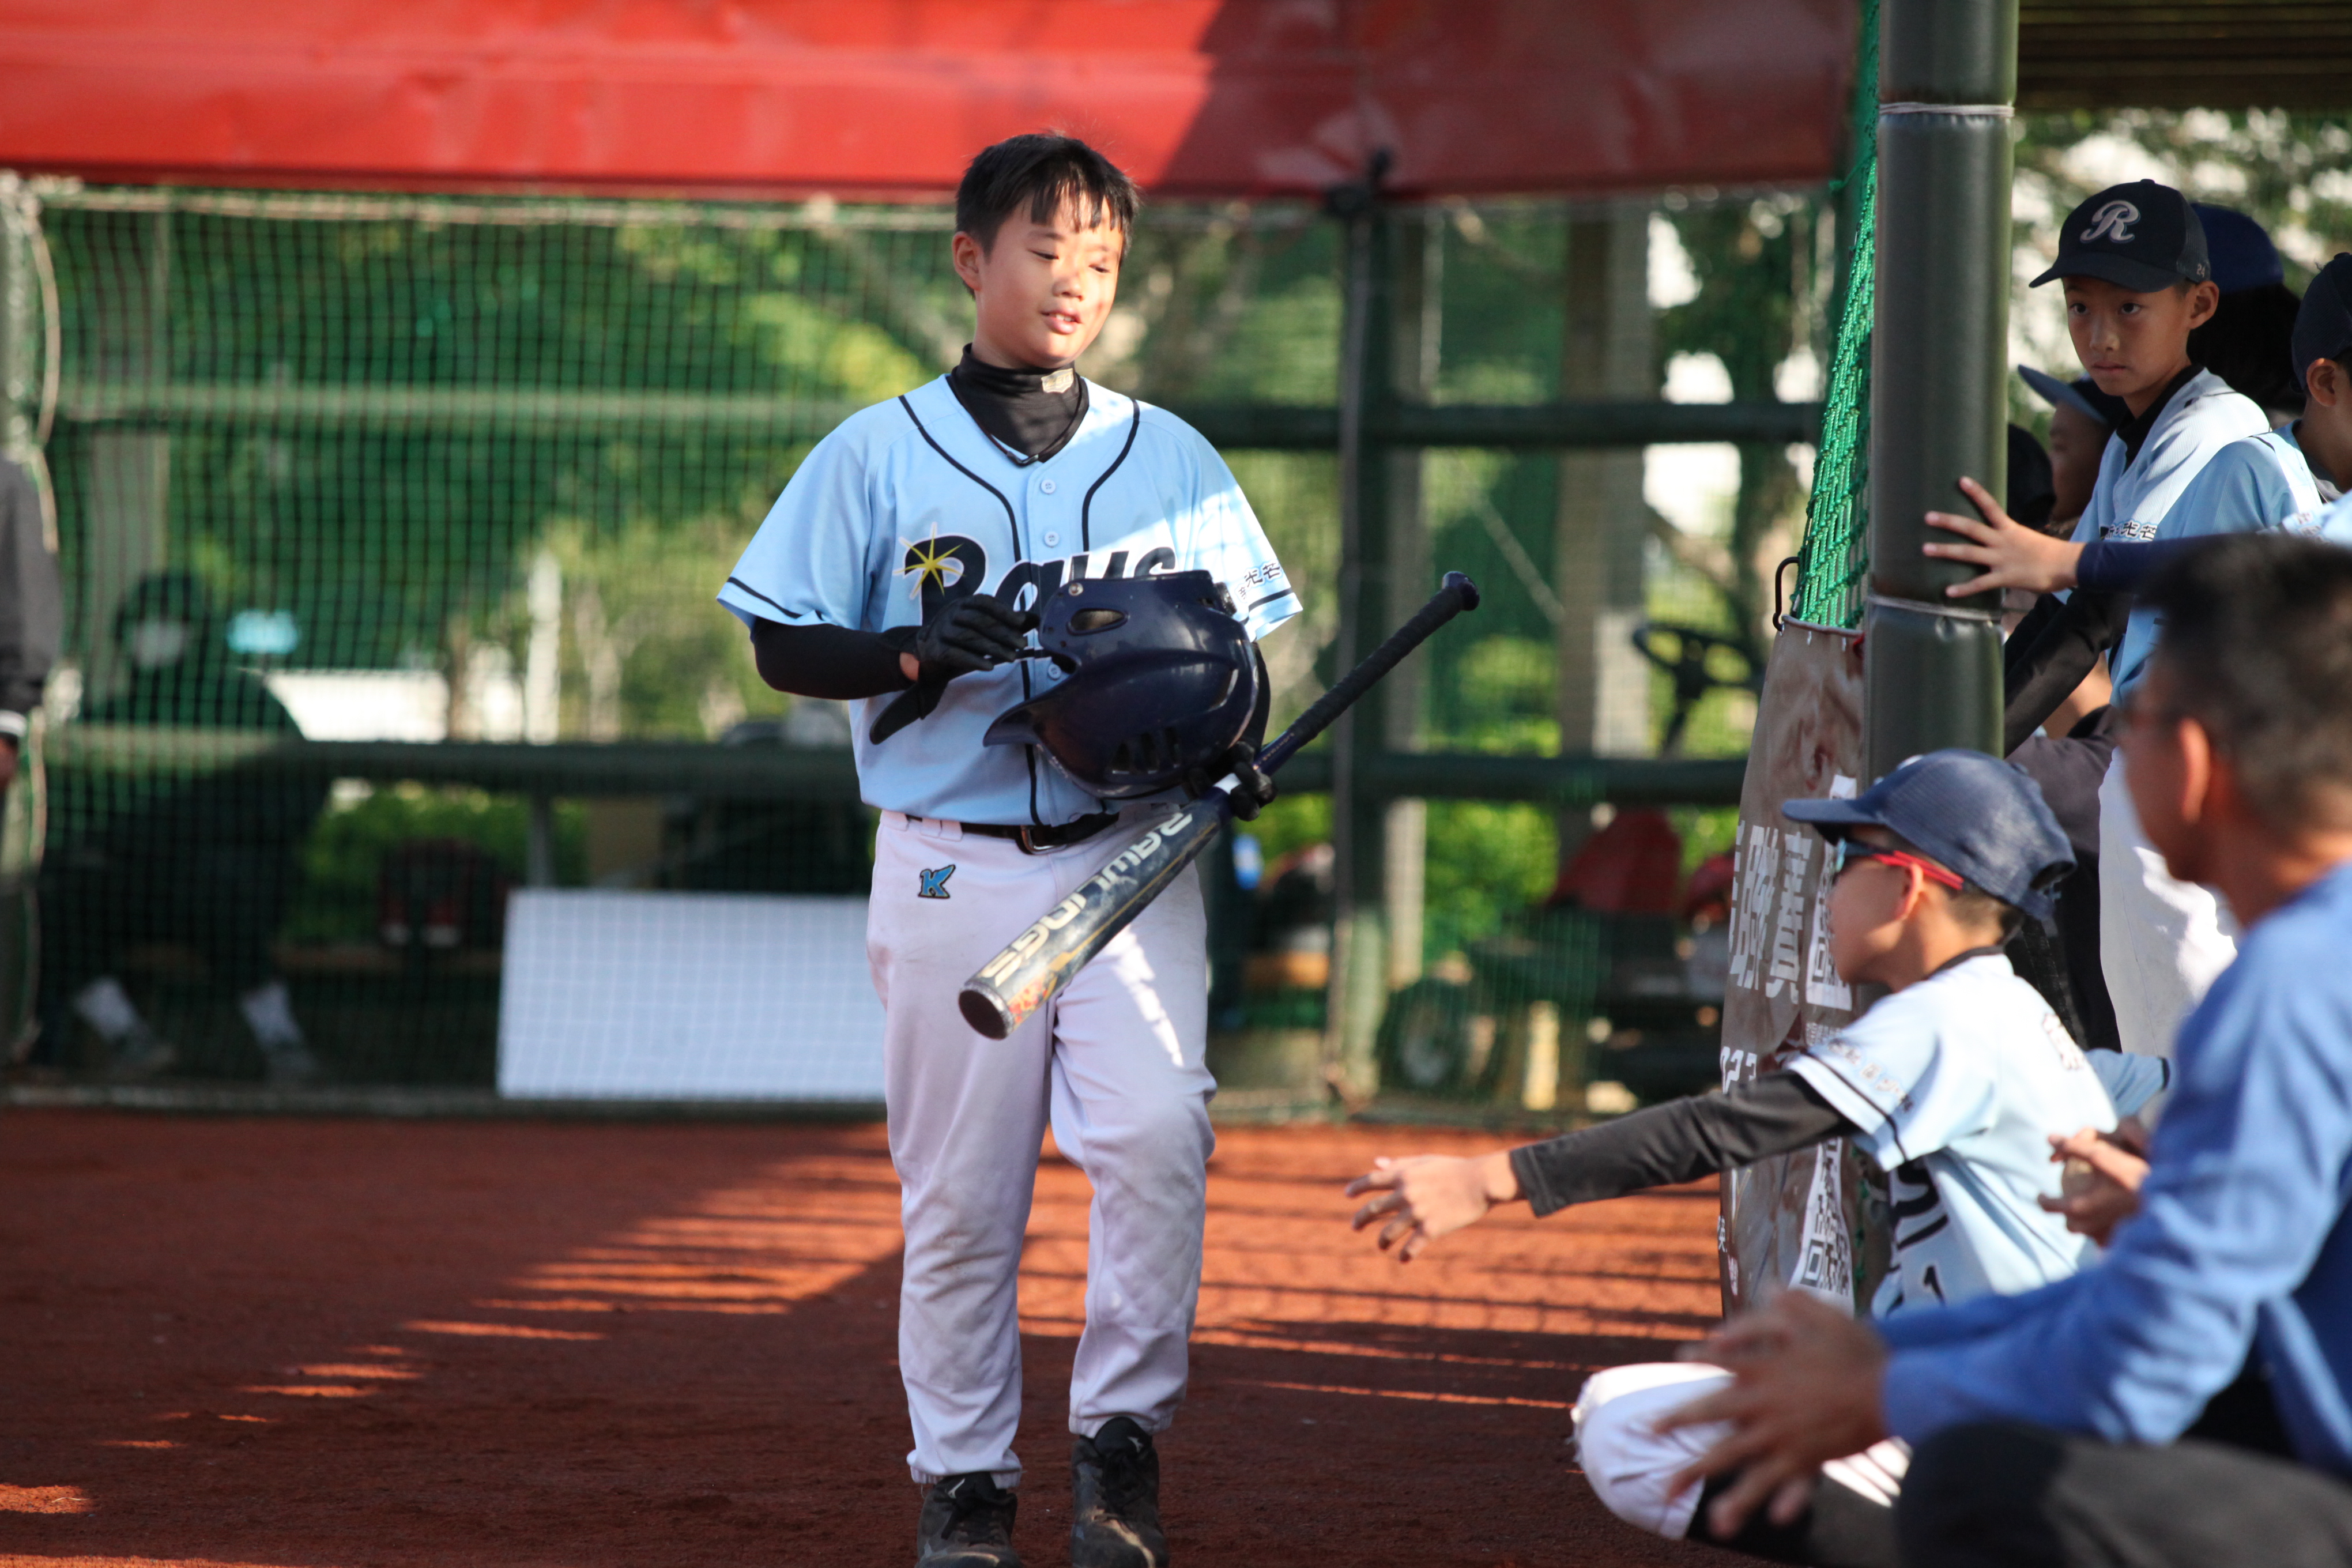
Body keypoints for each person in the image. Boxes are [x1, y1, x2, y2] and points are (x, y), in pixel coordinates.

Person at [715, 133, 1295, 1568]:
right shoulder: (875, 450)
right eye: (1046, 251)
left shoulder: (1170, 454)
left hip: (1131, 857)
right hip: (950, 862)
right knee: (963, 1198)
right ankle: (965, 1482)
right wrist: (908, 650)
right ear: (973, 260)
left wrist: (1232, 737)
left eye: (1101, 258)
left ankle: (1120, 1447)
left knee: (1157, 1135)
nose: (1075, 281)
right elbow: (781, 644)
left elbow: (1244, 648)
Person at [1653, 534, 2352, 1567]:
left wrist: (1884, 1386)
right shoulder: (2314, 958)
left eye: (2138, 723)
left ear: (2198, 762)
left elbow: (2146, 1365)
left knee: (1974, 1480)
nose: (2119, 752)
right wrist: (1885, 1352)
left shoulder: (2292, 985)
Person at [1342, 749, 2167, 1564]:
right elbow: (2168, 1079)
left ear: (1909, 887)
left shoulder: (1946, 1017)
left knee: (1629, 1435)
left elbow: (1726, 1128)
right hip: (2031, 1396)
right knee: (1623, 1406)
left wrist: (1491, 1179)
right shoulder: (2015, 1014)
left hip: (2000, 1420)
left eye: (1847, 860)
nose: (1828, 891)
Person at [1925, 252, 2352, 1068]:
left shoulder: (2227, 439)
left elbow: (2260, 567)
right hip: (2199, 782)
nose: (2102, 336)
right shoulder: (2242, 461)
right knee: (2192, 1067)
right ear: (2326, 381)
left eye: (2130, 305)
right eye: (2083, 306)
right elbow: (2245, 565)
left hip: (2274, 789)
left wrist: (2066, 562)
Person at [38, 572, 326, 1083]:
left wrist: (219, 831)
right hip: (135, 891)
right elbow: (72, 816)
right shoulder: (113, 714)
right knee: (54, 900)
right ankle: (128, 1038)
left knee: (217, 888)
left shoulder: (247, 705)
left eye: (170, 622)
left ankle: (281, 1040)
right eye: (144, 623)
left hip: (228, 888)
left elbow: (299, 799)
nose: (154, 634)